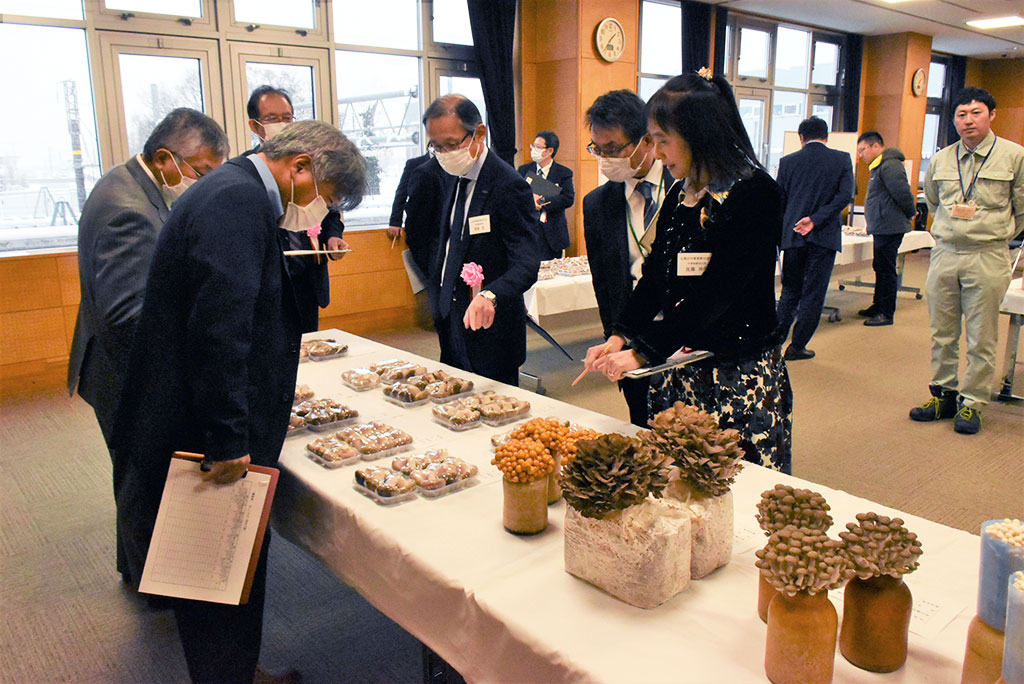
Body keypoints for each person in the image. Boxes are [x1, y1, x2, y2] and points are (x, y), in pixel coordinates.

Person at [111, 120, 366, 684]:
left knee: (233, 562)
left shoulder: (238, 191)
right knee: (214, 565)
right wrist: (228, 438)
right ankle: (227, 675)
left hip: (202, 413)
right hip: (202, 428)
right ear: (300, 166)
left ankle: (238, 670)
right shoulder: (236, 202)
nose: (320, 212)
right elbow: (218, 332)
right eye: (325, 197)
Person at [583, 75, 793, 473]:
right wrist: (620, 335)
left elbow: (718, 292)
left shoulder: (754, 193)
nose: (658, 152)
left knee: (737, 482)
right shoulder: (683, 193)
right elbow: (655, 276)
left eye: (663, 140)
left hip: (737, 373)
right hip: (683, 366)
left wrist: (643, 350)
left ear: (698, 134)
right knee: (678, 482)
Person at [67, 108, 228, 581]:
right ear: (164, 159)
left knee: (134, 473)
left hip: (111, 360)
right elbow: (127, 317)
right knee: (143, 475)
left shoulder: (128, 182)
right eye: (201, 172)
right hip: (124, 370)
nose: (204, 184)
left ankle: (137, 568)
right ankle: (150, 582)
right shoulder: (129, 212)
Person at [910, 86, 1024, 435]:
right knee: (942, 332)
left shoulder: (1014, 156)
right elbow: (933, 202)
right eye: (961, 114)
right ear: (954, 119)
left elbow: (1022, 209)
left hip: (987, 255)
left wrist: (993, 233)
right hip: (945, 253)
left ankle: (972, 401)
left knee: (981, 335)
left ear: (992, 115)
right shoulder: (942, 159)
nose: (968, 120)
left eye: (976, 113)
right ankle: (943, 394)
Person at [424, 94, 539, 385]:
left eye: (452, 144)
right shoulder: (449, 174)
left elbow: (526, 264)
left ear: (479, 133)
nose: (444, 153)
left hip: (492, 328)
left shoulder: (509, 185)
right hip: (450, 316)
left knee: (495, 407)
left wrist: (491, 295)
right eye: (436, 146)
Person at [581, 90, 673, 426]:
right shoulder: (597, 204)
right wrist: (614, 336)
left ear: (646, 141)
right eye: (597, 149)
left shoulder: (684, 188)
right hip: (630, 334)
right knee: (642, 427)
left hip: (684, 331)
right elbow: (604, 283)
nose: (605, 158)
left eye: (613, 148)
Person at [245, 85, 348, 333]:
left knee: (309, 342)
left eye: (287, 118)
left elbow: (330, 209)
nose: (282, 125)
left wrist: (333, 237)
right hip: (271, 280)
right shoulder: (247, 169)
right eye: (272, 119)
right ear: (256, 126)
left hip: (308, 275)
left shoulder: (311, 163)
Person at [774, 116, 855, 361]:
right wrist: (816, 219)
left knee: (790, 291)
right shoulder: (842, 159)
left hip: (794, 235)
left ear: (801, 137)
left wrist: (781, 235)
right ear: (826, 136)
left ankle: (773, 344)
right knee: (814, 293)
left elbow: (780, 201)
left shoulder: (787, 162)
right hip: (824, 236)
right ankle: (797, 346)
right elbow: (845, 196)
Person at [856, 130, 917, 326]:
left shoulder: (890, 165)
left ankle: (886, 312)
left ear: (876, 146)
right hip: (882, 226)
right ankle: (878, 305)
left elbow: (902, 193)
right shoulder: (879, 166)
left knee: (886, 269)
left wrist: (911, 212)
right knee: (880, 267)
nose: (861, 155)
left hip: (890, 226)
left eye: (863, 149)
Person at [516, 130, 575, 260]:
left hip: (552, 234)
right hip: (529, 231)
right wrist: (530, 200)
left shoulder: (563, 173)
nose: (533, 150)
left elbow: (568, 198)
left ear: (550, 151)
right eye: (533, 146)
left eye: (538, 147)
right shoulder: (524, 170)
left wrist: (541, 201)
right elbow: (516, 195)